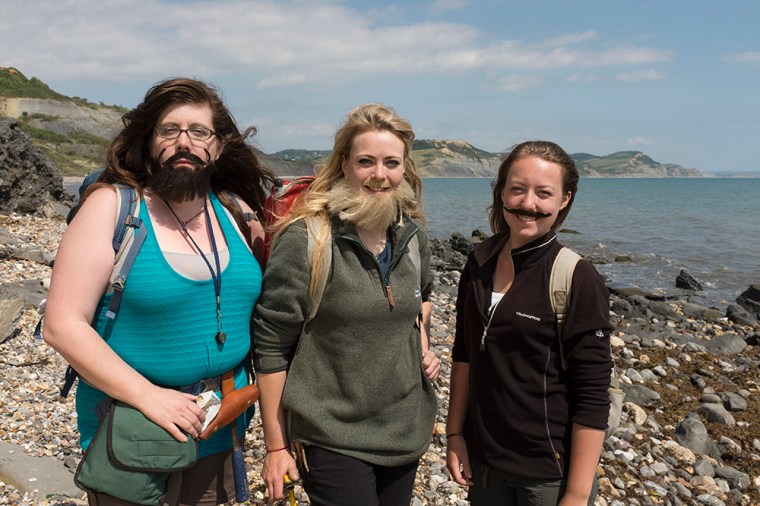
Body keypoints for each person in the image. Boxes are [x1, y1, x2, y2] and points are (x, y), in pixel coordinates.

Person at [43, 77, 274, 505]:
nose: (183, 142)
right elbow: (61, 324)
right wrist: (149, 397)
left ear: (217, 147)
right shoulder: (113, 208)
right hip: (134, 427)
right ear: (151, 142)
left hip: (220, 425)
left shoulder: (236, 214)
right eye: (169, 130)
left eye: (199, 132)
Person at [253, 103, 440, 506]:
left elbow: (421, 299)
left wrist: (423, 346)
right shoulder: (308, 239)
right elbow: (270, 345)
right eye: (366, 161)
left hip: (404, 427)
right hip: (331, 432)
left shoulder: (410, 235)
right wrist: (275, 446)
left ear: (405, 168)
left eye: (392, 162)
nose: (379, 174)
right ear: (344, 164)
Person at [446, 140, 612, 506]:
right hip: (485, 464)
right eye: (517, 189)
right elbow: (464, 354)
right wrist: (455, 433)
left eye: (544, 193)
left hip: (546, 475)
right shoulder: (478, 264)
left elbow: (593, 394)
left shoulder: (576, 277)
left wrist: (576, 494)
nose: (528, 204)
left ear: (564, 199)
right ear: (501, 191)